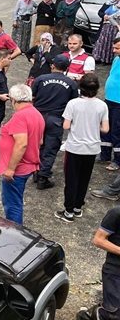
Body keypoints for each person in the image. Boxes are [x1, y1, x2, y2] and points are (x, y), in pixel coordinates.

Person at [55, 74, 109, 222]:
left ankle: (68, 211)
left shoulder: (73, 104)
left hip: (75, 147)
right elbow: (105, 128)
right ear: (97, 89)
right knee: (84, 179)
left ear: (80, 87)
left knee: (71, 180)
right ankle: (78, 206)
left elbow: (66, 125)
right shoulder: (102, 105)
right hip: (92, 148)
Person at [0, 84, 45, 225]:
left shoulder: (20, 116)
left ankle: (15, 234)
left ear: (13, 100)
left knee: (12, 204)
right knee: (14, 201)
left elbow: (21, 143)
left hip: (18, 169)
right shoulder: (36, 113)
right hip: (28, 165)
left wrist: (10, 168)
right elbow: (40, 141)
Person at [31, 54, 79, 189]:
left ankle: (36, 171)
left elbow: (32, 97)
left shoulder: (41, 79)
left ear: (52, 65)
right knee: (50, 149)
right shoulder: (71, 83)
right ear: (67, 67)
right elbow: (73, 103)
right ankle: (43, 177)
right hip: (56, 119)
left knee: (36, 145)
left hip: (38, 117)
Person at [75, 206, 120, 320]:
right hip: (115, 270)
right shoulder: (115, 214)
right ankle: (89, 316)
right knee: (116, 317)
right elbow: (98, 240)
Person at [103, 38, 120, 170]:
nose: (114, 51)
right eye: (114, 48)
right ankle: (105, 154)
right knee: (105, 127)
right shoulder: (116, 59)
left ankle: (118, 160)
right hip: (109, 99)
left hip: (119, 102)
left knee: (117, 130)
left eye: (117, 48)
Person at [93, 0, 120, 64]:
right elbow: (100, 12)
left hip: (114, 27)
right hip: (105, 26)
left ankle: (107, 59)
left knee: (111, 43)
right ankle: (99, 57)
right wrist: (104, 15)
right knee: (102, 41)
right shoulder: (108, 3)